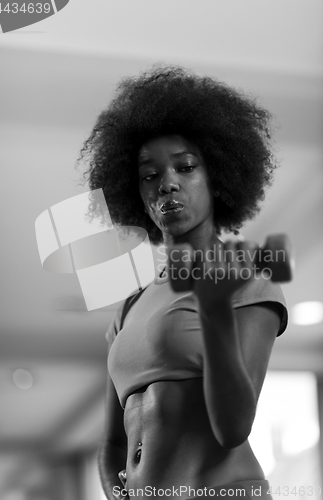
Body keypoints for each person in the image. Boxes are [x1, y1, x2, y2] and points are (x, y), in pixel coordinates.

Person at [79, 66, 288, 499]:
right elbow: (113, 443)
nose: (167, 184)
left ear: (217, 177)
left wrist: (212, 307)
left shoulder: (246, 274)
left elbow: (232, 428)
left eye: (185, 167)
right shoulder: (130, 307)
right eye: (149, 175)